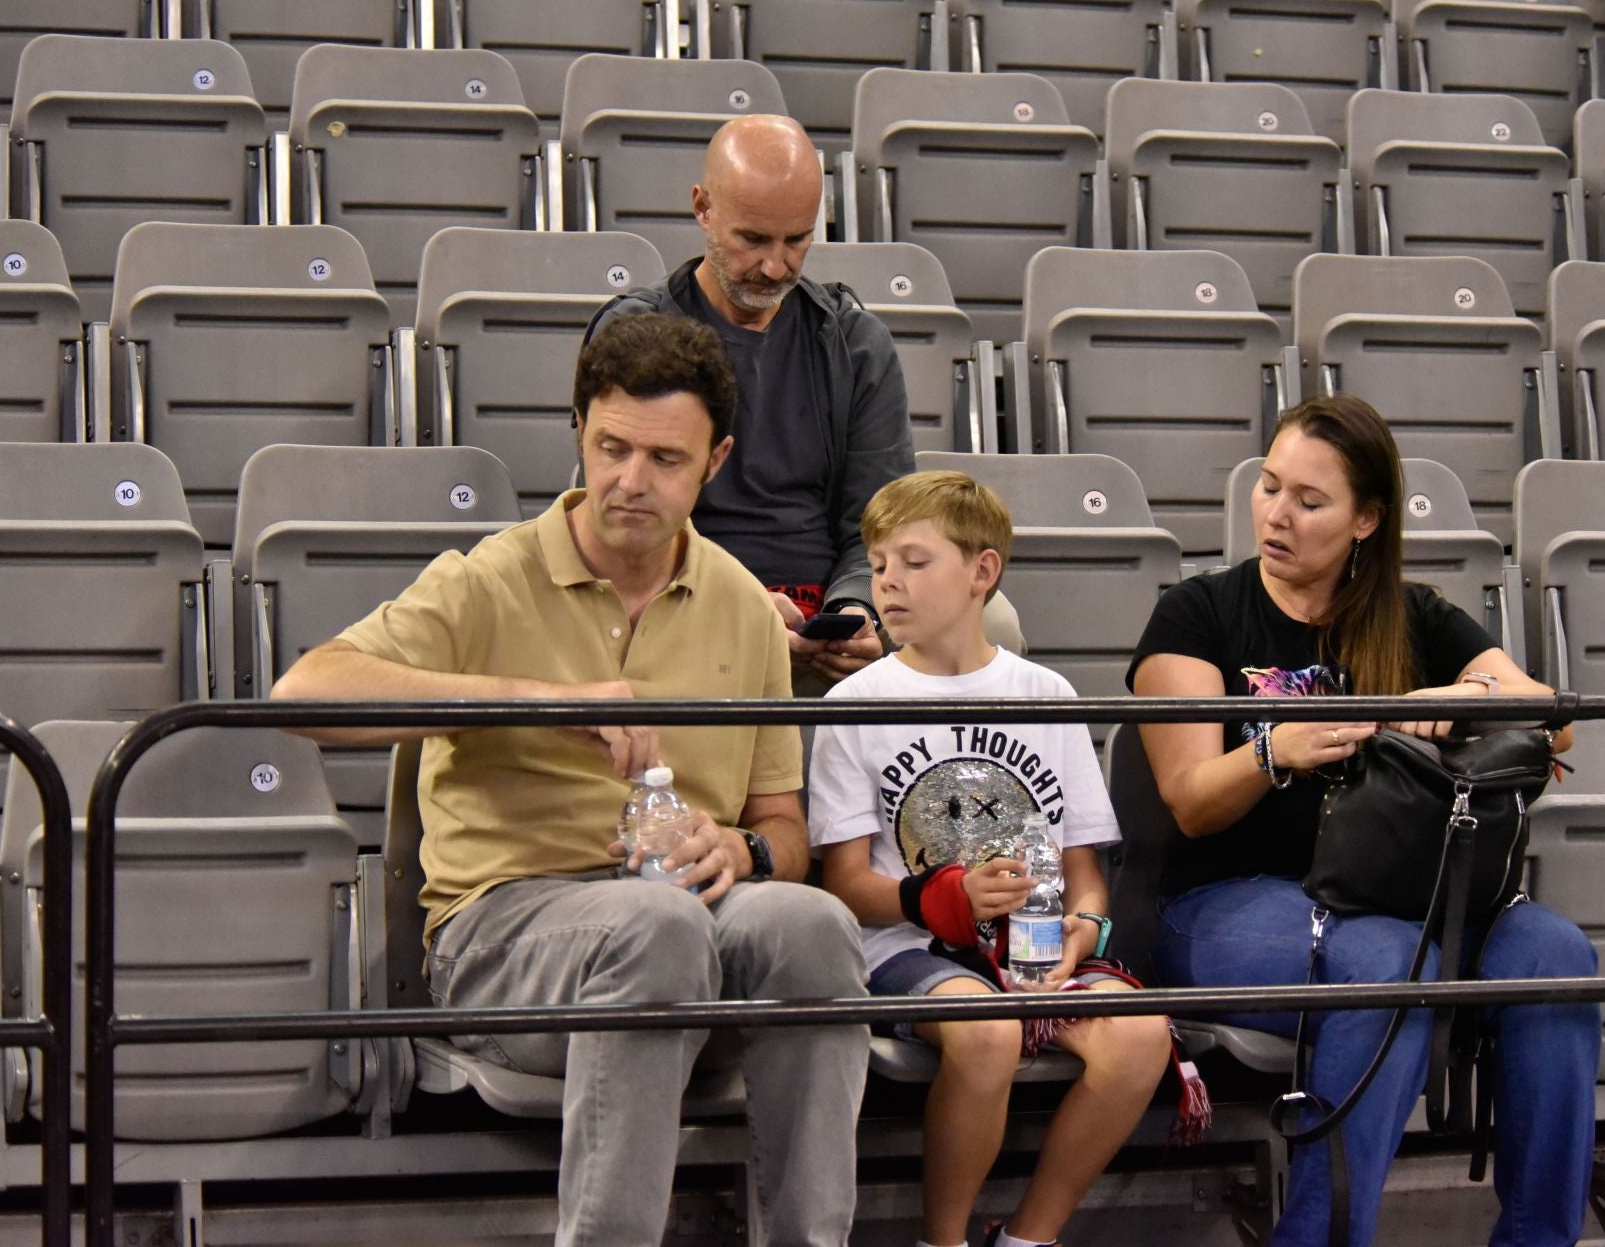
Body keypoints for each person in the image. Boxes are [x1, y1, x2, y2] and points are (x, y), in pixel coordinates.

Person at [271, 311, 868, 1247]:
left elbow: (784, 827)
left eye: (664, 460)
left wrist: (745, 850)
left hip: (684, 919)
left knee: (817, 924)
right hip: (504, 935)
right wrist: (536, 699)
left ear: (715, 462)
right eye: (610, 447)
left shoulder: (745, 608)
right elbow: (304, 693)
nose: (630, 481)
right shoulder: (492, 577)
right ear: (581, 435)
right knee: (657, 928)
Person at [1126, 397, 1598, 1247]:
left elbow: (1555, 722)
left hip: (1399, 895)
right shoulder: (1196, 615)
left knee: (1557, 957)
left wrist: (1463, 696)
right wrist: (1281, 748)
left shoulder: (1414, 618)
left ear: (1367, 520)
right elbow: (1190, 801)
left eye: (1310, 502)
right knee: (1386, 963)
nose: (1276, 514)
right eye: (1269, 487)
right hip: (1223, 901)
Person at [808, 471, 1176, 1247]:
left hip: (1035, 942)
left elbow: (1084, 874)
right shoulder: (855, 706)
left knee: (1141, 1032)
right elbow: (843, 887)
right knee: (987, 1030)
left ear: (983, 573)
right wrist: (937, 900)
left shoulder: (1045, 691)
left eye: (914, 560)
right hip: (906, 947)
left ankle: (1028, 1238)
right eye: (878, 565)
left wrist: (1082, 930)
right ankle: (941, 1240)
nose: (888, 583)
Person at [585, 113, 1022, 694]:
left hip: (826, 602)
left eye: (797, 240)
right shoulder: (636, 331)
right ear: (702, 208)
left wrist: (859, 610)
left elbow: (878, 519)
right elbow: (620, 515)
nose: (775, 266)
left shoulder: (854, 342)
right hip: (686, 591)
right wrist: (739, 603)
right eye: (753, 240)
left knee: (995, 624)